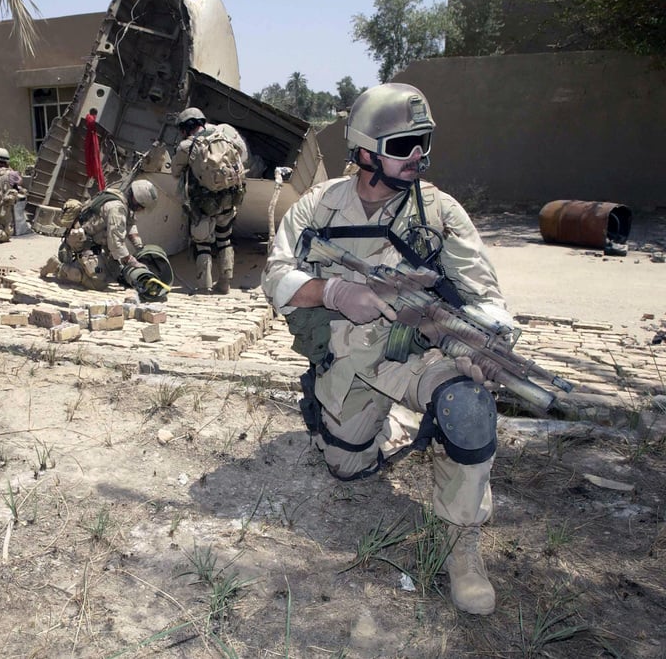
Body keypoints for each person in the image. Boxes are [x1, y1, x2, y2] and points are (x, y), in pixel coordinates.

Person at [261, 83, 510, 616]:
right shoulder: (319, 206)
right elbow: (276, 275)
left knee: (467, 407)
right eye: (403, 145)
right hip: (352, 361)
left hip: (422, 355)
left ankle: (461, 547)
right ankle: (385, 426)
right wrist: (331, 292)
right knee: (347, 467)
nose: (417, 154)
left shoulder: (440, 212)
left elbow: (486, 297)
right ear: (364, 150)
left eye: (424, 142)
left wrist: (491, 343)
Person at [170, 107, 248, 294]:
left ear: (184, 128)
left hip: (204, 203)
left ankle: (204, 287)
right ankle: (225, 283)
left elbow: (175, 172)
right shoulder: (225, 133)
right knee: (225, 239)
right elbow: (243, 155)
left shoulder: (186, 146)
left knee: (203, 243)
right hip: (230, 198)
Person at [39, 179, 158, 292]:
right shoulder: (117, 209)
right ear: (136, 201)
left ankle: (84, 265)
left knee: (115, 274)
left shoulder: (120, 197)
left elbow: (130, 225)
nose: (141, 210)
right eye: (141, 207)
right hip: (81, 245)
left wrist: (140, 247)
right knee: (98, 282)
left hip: (94, 243)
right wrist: (133, 262)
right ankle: (58, 267)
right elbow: (116, 244)